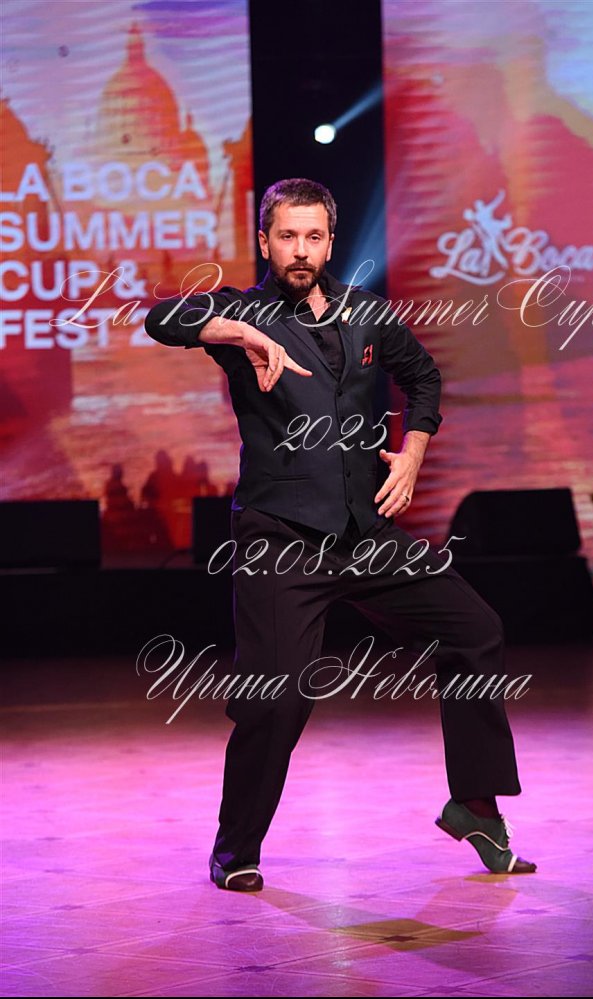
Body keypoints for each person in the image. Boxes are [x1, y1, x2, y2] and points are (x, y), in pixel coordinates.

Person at [144, 177, 537, 892]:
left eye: (313, 237)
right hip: (281, 540)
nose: (300, 250)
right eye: (287, 236)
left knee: (475, 628)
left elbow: (424, 379)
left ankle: (475, 804)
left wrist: (412, 453)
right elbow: (163, 318)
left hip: (364, 534)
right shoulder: (243, 311)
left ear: (330, 242)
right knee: (277, 697)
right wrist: (239, 332)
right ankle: (235, 846)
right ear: (265, 241)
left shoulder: (366, 313)